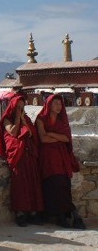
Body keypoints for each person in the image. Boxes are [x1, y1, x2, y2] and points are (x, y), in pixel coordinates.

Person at [35, 94, 85, 229]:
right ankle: (60, 215)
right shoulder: (41, 119)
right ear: (49, 105)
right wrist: (58, 138)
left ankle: (66, 215)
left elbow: (67, 138)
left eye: (60, 104)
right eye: (56, 103)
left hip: (61, 157)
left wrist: (50, 134)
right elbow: (42, 139)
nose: (59, 106)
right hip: (47, 158)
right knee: (52, 184)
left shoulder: (62, 120)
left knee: (63, 183)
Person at [0, 95, 43, 227]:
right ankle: (20, 213)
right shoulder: (6, 119)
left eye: (22, 107)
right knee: (20, 186)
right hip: (18, 157)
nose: (20, 109)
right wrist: (18, 118)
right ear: (13, 107)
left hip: (29, 156)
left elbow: (32, 135)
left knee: (33, 184)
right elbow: (12, 133)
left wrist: (23, 119)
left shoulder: (27, 119)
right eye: (18, 107)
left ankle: (33, 213)